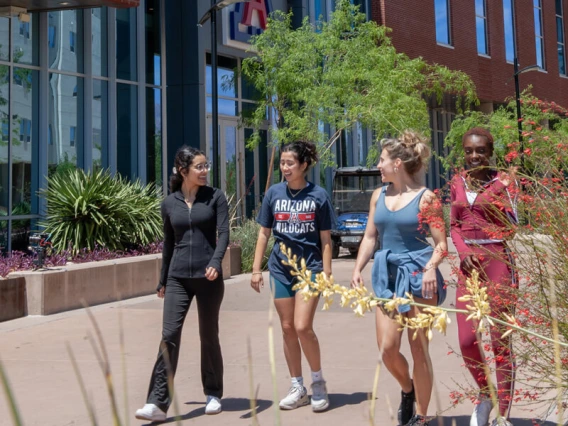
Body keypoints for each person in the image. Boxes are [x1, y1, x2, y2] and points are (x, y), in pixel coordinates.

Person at [350, 131, 448, 426]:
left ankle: (422, 416)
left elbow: (441, 244)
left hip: (420, 277)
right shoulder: (378, 195)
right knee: (388, 348)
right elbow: (370, 237)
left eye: (381, 161)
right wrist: (357, 268)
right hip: (387, 277)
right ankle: (409, 389)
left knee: (419, 349)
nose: (378, 166)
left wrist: (431, 268)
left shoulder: (427, 198)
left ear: (397, 163)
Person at [135, 146, 229, 422]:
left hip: (208, 277)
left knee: (208, 335)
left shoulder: (215, 197)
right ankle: (156, 402)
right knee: (169, 336)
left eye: (206, 166)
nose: (205, 171)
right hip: (178, 277)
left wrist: (215, 262)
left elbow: (223, 234)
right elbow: (168, 243)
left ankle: (213, 393)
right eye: (199, 167)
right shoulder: (169, 203)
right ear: (183, 170)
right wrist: (163, 278)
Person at [250, 141, 334, 412]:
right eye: (282, 163)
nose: (284, 168)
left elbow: (325, 238)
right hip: (280, 269)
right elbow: (264, 232)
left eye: (290, 163)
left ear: (303, 165)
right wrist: (255, 269)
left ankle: (318, 382)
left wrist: (327, 272)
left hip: (310, 269)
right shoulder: (274, 193)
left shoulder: (318, 195)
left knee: (302, 327)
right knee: (287, 328)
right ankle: (297, 387)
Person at [450, 128, 518, 426]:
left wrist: (501, 191)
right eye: (468, 151)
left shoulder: (502, 182)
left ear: (490, 152)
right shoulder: (457, 182)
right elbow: (453, 224)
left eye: (480, 150)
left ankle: (503, 414)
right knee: (466, 340)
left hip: (497, 262)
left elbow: (512, 227)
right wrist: (463, 252)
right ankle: (485, 393)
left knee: (499, 341)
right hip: (468, 267)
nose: (474, 156)